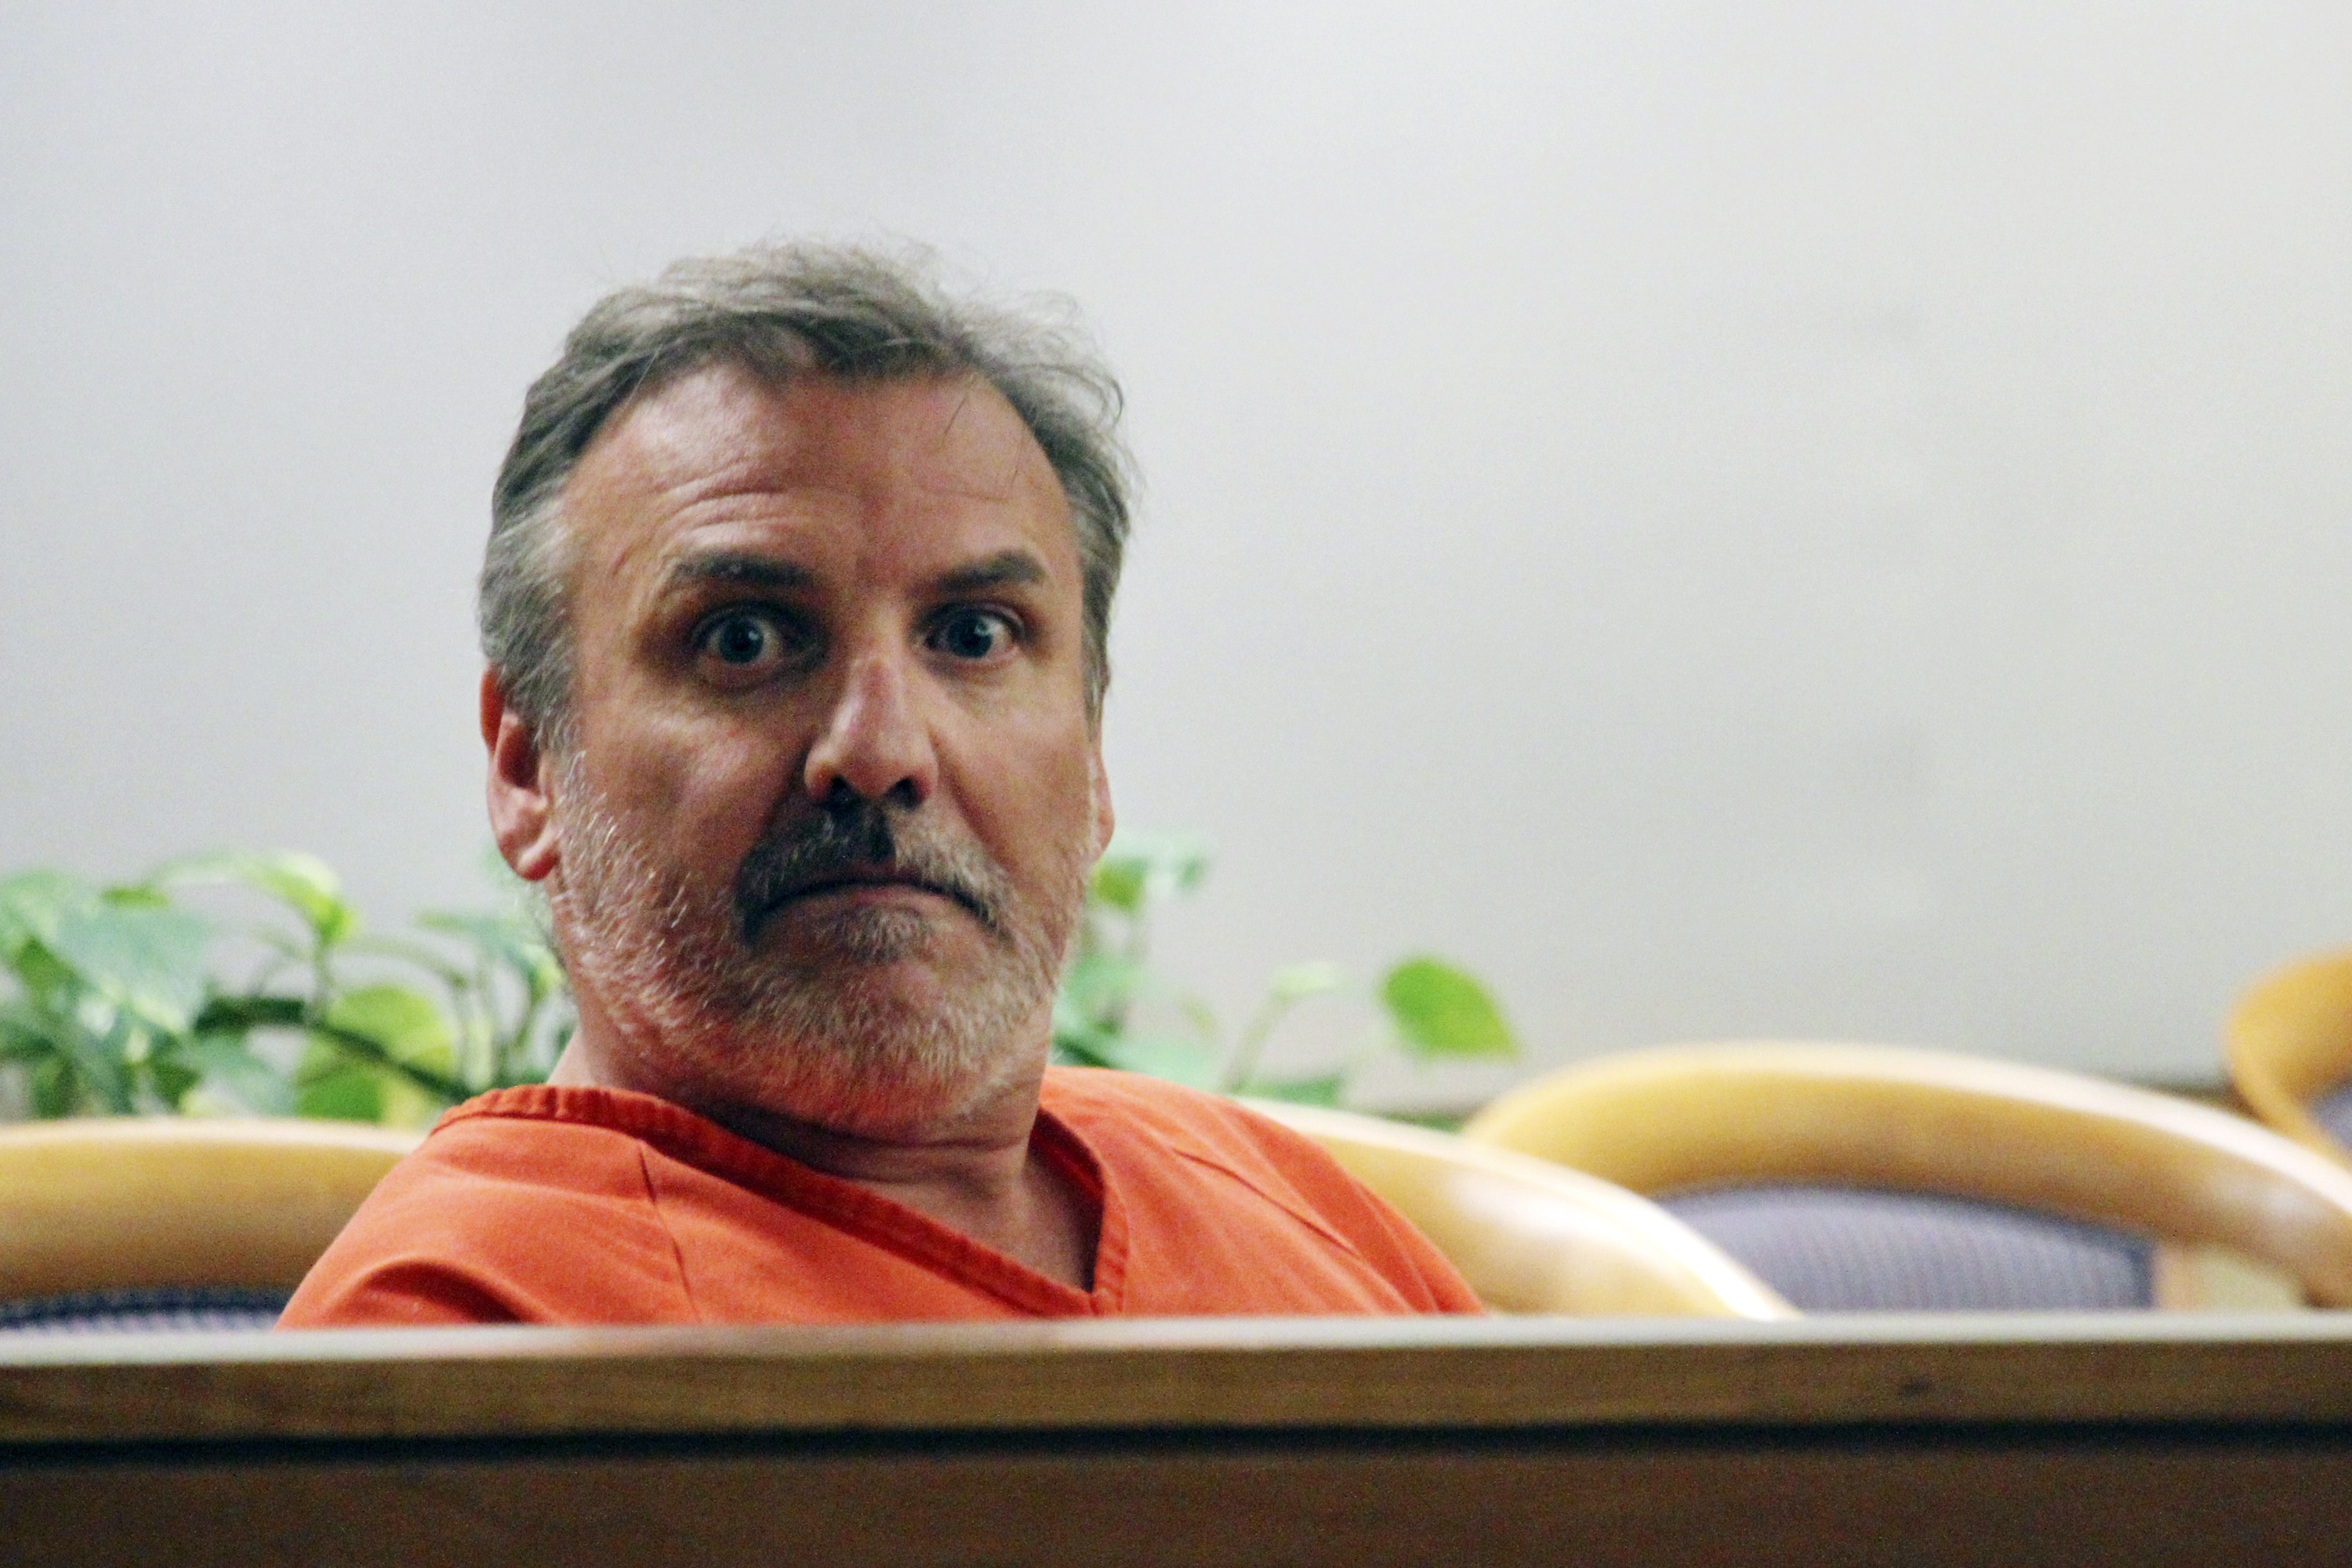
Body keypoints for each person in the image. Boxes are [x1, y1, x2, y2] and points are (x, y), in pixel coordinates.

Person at [279, 243, 1480, 1326]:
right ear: (529, 768)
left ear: (1095, 754)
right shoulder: (460, 1336)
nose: (879, 750)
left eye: (973, 636)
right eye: (745, 639)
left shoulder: (1284, 1203)